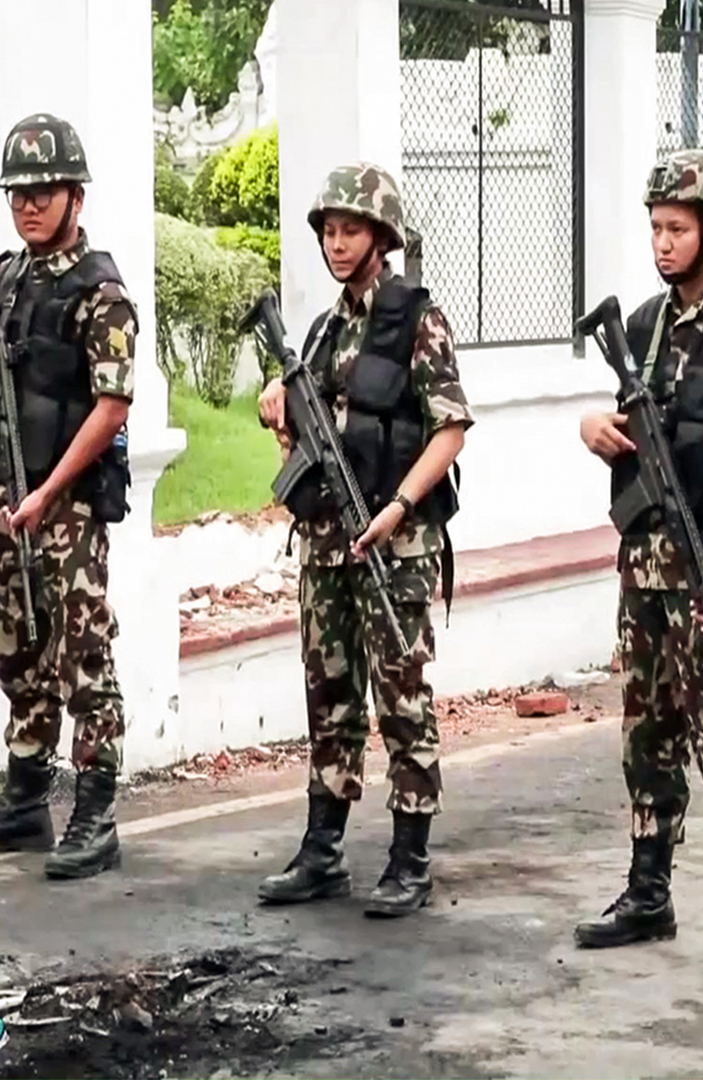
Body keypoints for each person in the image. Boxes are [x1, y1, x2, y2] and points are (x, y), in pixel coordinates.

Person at [573, 149, 703, 976]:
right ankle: (648, 892)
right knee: (647, 732)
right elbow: (625, 429)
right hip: (645, 567)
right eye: (656, 228)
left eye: (677, 229)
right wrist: (594, 430)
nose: (663, 243)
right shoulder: (641, 329)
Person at [254, 163, 471, 919]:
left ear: (382, 237)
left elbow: (450, 429)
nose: (338, 244)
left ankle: (410, 857)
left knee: (402, 696)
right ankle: (323, 849)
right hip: (327, 543)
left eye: (352, 231)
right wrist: (278, 404)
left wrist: (401, 506)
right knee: (329, 692)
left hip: (394, 546)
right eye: (330, 232)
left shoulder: (417, 320)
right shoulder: (321, 330)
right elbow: (301, 424)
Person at [0, 113, 136, 881]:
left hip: (66, 505)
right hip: (3, 492)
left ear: (75, 196)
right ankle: (27, 796)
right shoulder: (11, 280)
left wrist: (50, 493)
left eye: (42, 192)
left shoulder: (100, 292)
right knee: (14, 643)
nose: (27, 206)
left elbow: (112, 407)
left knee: (81, 651)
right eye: (18, 194)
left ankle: (95, 810)